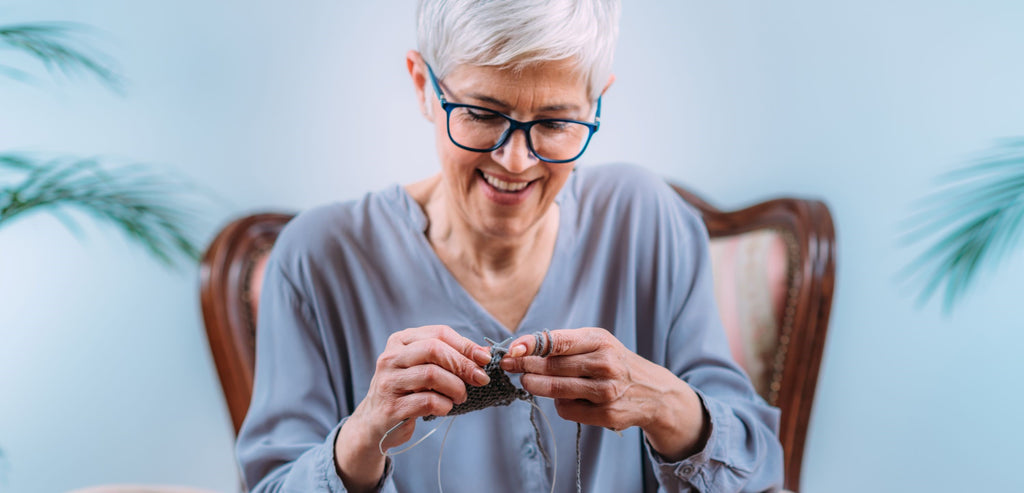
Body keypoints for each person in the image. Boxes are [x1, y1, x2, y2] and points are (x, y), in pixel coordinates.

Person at [235, 1, 784, 491]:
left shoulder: (648, 221)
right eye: (481, 113)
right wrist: (363, 434)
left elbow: (760, 470)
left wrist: (666, 406)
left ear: (597, 103)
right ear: (423, 86)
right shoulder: (317, 260)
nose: (516, 161)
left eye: (556, 122)